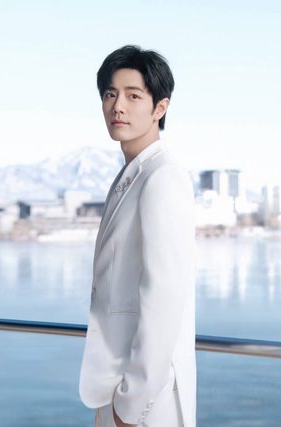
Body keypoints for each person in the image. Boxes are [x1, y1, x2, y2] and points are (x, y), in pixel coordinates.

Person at [78, 45, 197, 427]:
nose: (118, 107)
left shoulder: (163, 177)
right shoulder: (133, 174)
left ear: (160, 108)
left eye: (133, 96)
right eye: (110, 94)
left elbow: (163, 298)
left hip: (146, 402)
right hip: (117, 389)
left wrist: (130, 407)